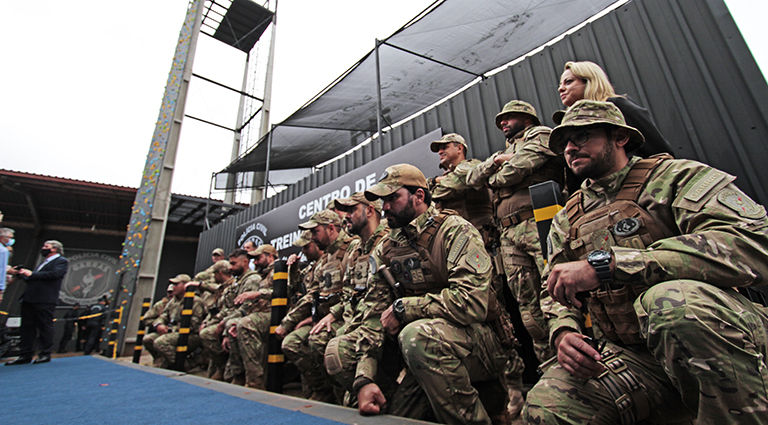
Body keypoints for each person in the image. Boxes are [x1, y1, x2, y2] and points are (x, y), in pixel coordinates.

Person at [524, 100, 768, 425]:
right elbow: (552, 288)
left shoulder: (674, 178)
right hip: (636, 358)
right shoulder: (567, 217)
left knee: (670, 304)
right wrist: (563, 331)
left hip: (722, 337)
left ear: (620, 137)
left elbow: (755, 244)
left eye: (582, 136)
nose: (570, 147)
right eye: (564, 143)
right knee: (547, 407)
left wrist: (612, 265)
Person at [351, 164, 511, 424]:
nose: (385, 208)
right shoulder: (385, 249)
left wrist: (405, 308)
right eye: (383, 201)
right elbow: (373, 316)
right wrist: (364, 379)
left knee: (417, 337)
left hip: (482, 342)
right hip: (423, 343)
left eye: (393, 198)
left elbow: (471, 303)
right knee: (343, 350)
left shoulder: (455, 230)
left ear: (419, 196)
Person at [467, 100, 565, 417]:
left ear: (526, 117)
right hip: (509, 234)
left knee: (557, 294)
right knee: (527, 309)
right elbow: (473, 180)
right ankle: (551, 371)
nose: (503, 123)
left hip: (540, 222)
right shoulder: (505, 150)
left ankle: (571, 367)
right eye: (500, 120)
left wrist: (498, 170)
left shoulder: (540, 134)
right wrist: (498, 162)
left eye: (508, 118)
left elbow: (512, 173)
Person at [314, 192, 389, 405]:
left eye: (352, 210)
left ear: (370, 210)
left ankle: (384, 393)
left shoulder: (389, 240)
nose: (346, 217)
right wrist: (336, 315)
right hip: (354, 320)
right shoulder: (355, 249)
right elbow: (348, 293)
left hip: (378, 321)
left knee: (336, 349)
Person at [556, 60, 674, 158]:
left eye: (569, 82)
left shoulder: (616, 105)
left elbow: (659, 149)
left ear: (589, 81)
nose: (561, 89)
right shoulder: (567, 123)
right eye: (560, 84)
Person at [277, 230, 325, 398]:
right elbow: (295, 287)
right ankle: (312, 390)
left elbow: (313, 295)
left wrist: (288, 323)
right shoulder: (311, 267)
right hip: (311, 317)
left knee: (292, 343)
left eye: (307, 247)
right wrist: (294, 268)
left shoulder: (326, 263)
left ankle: (322, 388)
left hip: (322, 317)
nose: (303, 251)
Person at [6, 240, 69, 365]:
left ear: (55, 249)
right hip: (30, 298)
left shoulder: (61, 261)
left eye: (46, 246)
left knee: (45, 326)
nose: (43, 248)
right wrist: (23, 274)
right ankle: (25, 355)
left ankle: (45, 353)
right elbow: (34, 279)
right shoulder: (43, 263)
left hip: (45, 299)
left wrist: (32, 274)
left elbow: (54, 275)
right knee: (27, 328)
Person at [224, 244, 277, 389]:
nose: (255, 262)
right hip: (260, 313)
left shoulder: (278, 270)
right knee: (234, 324)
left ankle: (255, 381)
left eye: (258, 258)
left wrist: (258, 293)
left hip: (275, 314)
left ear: (270, 256)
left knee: (245, 324)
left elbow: (283, 292)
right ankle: (240, 375)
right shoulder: (262, 275)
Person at [428, 134, 493, 230]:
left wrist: (433, 182)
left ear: (459, 148)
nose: (440, 152)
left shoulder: (471, 166)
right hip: (456, 233)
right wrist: (435, 180)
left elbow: (442, 190)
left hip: (478, 231)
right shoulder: (444, 177)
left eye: (445, 148)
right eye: (439, 150)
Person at [145, 274, 206, 370]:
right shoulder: (173, 301)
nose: (173, 287)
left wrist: (170, 329)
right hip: (173, 332)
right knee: (148, 339)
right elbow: (163, 316)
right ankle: (162, 361)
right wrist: (159, 325)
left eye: (176, 284)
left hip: (190, 335)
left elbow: (193, 324)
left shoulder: (195, 301)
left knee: (161, 342)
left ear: (185, 285)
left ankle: (183, 365)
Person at [197, 260, 235, 380]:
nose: (213, 277)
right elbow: (215, 309)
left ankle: (224, 366)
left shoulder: (232, 285)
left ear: (219, 273)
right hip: (221, 318)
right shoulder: (222, 288)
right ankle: (219, 368)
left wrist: (218, 323)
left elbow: (230, 309)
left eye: (215, 274)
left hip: (229, 319)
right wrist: (206, 322)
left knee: (207, 334)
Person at [0, 227, 15, 303]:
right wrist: (1, 289)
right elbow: (1, 270)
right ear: (2, 238)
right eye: (10, 238)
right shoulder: (3, 250)